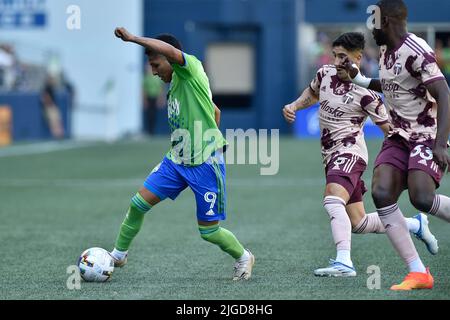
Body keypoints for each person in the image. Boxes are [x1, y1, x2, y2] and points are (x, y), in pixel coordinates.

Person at [282, 32, 438, 277]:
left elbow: (391, 132)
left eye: (343, 57)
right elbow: (312, 94)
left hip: (350, 153)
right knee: (359, 222)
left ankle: (344, 262)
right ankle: (414, 224)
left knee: (333, 199)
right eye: (334, 55)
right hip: (329, 154)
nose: (336, 62)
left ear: (358, 57)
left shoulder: (367, 94)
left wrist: (411, 158)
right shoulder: (325, 74)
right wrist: (294, 105)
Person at [110, 28, 255, 281]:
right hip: (176, 160)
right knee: (137, 204)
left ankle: (244, 256)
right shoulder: (178, 82)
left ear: (169, 57)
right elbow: (215, 111)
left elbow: (174, 53)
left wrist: (133, 39)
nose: (154, 71)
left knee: (208, 232)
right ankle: (118, 255)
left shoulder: (190, 68)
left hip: (205, 164)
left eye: (156, 64)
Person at [340, 0, 450, 290]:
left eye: (373, 21)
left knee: (421, 198)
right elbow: (391, 84)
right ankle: (418, 272)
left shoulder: (417, 51)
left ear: (386, 20)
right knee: (381, 191)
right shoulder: (387, 51)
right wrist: (360, 79)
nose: (370, 28)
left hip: (426, 134)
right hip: (399, 136)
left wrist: (441, 144)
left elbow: (444, 92)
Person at [142, 64, 165, 135]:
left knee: (154, 114)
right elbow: (144, 90)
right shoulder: (146, 78)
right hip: (149, 98)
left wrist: (161, 99)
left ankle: (153, 130)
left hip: (156, 98)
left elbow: (161, 89)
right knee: (149, 114)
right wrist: (144, 100)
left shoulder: (157, 77)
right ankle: (149, 130)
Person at [40, 75, 65, 139]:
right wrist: (49, 104)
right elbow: (45, 97)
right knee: (53, 121)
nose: (53, 81)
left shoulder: (51, 87)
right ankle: (56, 135)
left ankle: (59, 134)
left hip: (52, 106)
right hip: (50, 107)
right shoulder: (47, 88)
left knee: (57, 120)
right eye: (51, 80)